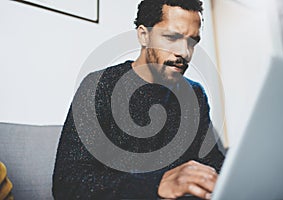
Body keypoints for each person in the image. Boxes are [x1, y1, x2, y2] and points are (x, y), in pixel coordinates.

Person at [52, 0, 225, 199]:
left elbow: (214, 163)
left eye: (192, 41)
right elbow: (67, 184)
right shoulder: (98, 86)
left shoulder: (194, 94)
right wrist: (156, 185)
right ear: (144, 35)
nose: (184, 53)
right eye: (172, 37)